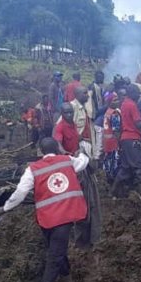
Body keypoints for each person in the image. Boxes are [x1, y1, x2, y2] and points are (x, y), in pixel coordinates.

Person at [0, 137, 90, 282]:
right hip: (65, 217)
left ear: (40, 151)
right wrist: (82, 153)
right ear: (58, 148)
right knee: (56, 256)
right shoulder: (67, 161)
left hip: (47, 219)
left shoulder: (33, 169)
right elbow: (84, 162)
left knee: (55, 253)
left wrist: (4, 208)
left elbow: (20, 193)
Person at [54, 103, 102, 250]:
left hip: (79, 163)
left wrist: (84, 142)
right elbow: (58, 144)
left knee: (89, 198)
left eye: (70, 112)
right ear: (62, 113)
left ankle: (88, 236)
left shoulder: (73, 124)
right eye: (66, 113)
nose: (69, 115)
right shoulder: (60, 127)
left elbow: (76, 137)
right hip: (70, 166)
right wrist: (66, 154)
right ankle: (78, 239)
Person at [112, 84, 141, 197]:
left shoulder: (124, 104)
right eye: (137, 94)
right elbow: (138, 124)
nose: (138, 96)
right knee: (138, 168)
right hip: (132, 138)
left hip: (125, 139)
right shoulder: (132, 105)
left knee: (125, 168)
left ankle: (113, 192)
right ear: (132, 93)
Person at [69, 86, 97, 160]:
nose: (87, 95)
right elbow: (62, 126)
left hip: (87, 142)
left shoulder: (85, 106)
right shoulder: (72, 107)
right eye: (85, 93)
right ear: (78, 95)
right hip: (79, 144)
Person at [102, 92, 122, 184]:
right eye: (115, 100)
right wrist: (119, 144)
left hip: (107, 142)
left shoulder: (108, 111)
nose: (117, 102)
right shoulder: (114, 113)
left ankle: (108, 178)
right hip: (113, 142)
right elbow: (116, 130)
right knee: (114, 162)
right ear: (110, 102)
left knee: (108, 161)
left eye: (117, 99)